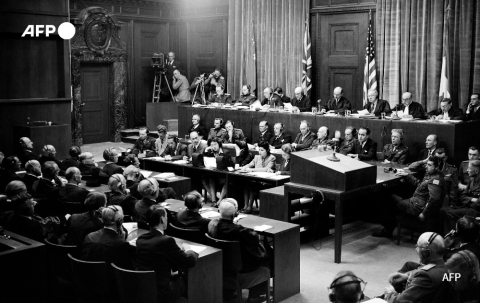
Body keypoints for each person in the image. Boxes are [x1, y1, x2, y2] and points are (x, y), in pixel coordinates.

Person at [208, 198, 271, 302]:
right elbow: (255, 239)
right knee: (266, 258)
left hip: (220, 266)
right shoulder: (240, 231)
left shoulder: (212, 225)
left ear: (219, 212)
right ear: (236, 213)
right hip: (241, 271)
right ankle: (256, 295)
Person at [135, 205, 198, 303]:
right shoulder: (166, 241)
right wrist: (188, 249)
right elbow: (189, 261)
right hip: (163, 292)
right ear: (162, 220)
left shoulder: (140, 239)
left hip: (144, 289)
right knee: (187, 279)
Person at [372, 156, 445, 238]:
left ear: (437, 167)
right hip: (415, 202)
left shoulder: (436, 180)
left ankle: (389, 227)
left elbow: (434, 199)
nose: (426, 166)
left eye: (429, 165)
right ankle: (390, 225)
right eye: (427, 164)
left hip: (416, 207)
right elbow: (419, 184)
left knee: (384, 196)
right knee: (389, 195)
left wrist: (424, 213)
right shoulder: (431, 175)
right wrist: (407, 175)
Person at [383, 232, 449, 302]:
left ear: (426, 252)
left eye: (418, 246)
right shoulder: (448, 267)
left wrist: (390, 293)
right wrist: (406, 275)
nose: (416, 249)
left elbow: (401, 302)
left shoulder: (425, 276)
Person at [440, 160, 480, 233]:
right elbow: (462, 197)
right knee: (443, 210)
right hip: (468, 207)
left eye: (469, 169)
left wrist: (468, 201)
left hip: (475, 211)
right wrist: (472, 199)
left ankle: (453, 238)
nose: (467, 170)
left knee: (449, 214)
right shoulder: (471, 180)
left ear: (476, 171)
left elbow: (478, 204)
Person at [240, 141, 276, 213]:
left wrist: (252, 170)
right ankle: (245, 206)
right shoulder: (257, 157)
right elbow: (250, 164)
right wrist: (243, 167)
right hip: (256, 179)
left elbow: (266, 169)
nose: (260, 152)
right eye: (259, 150)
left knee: (251, 185)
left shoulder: (272, 158)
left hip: (266, 182)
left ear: (267, 150)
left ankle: (250, 207)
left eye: (262, 150)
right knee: (245, 184)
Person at [202, 138, 232, 206]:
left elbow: (230, 164)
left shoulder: (226, 152)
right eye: (211, 145)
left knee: (227, 181)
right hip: (214, 175)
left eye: (215, 144)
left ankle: (220, 200)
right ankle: (214, 200)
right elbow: (204, 160)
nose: (213, 146)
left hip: (223, 176)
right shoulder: (209, 152)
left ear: (219, 145)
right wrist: (206, 151)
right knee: (207, 179)